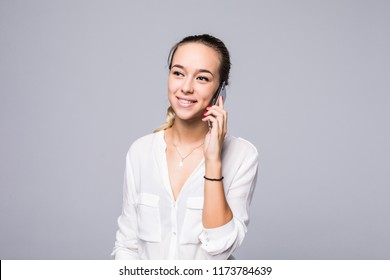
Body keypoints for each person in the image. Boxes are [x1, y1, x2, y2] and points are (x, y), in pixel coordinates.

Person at [111, 34, 258, 260]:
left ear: (221, 90)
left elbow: (221, 247)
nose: (186, 87)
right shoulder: (140, 152)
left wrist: (213, 161)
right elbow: (127, 246)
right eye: (178, 73)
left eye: (202, 78)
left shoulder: (242, 156)